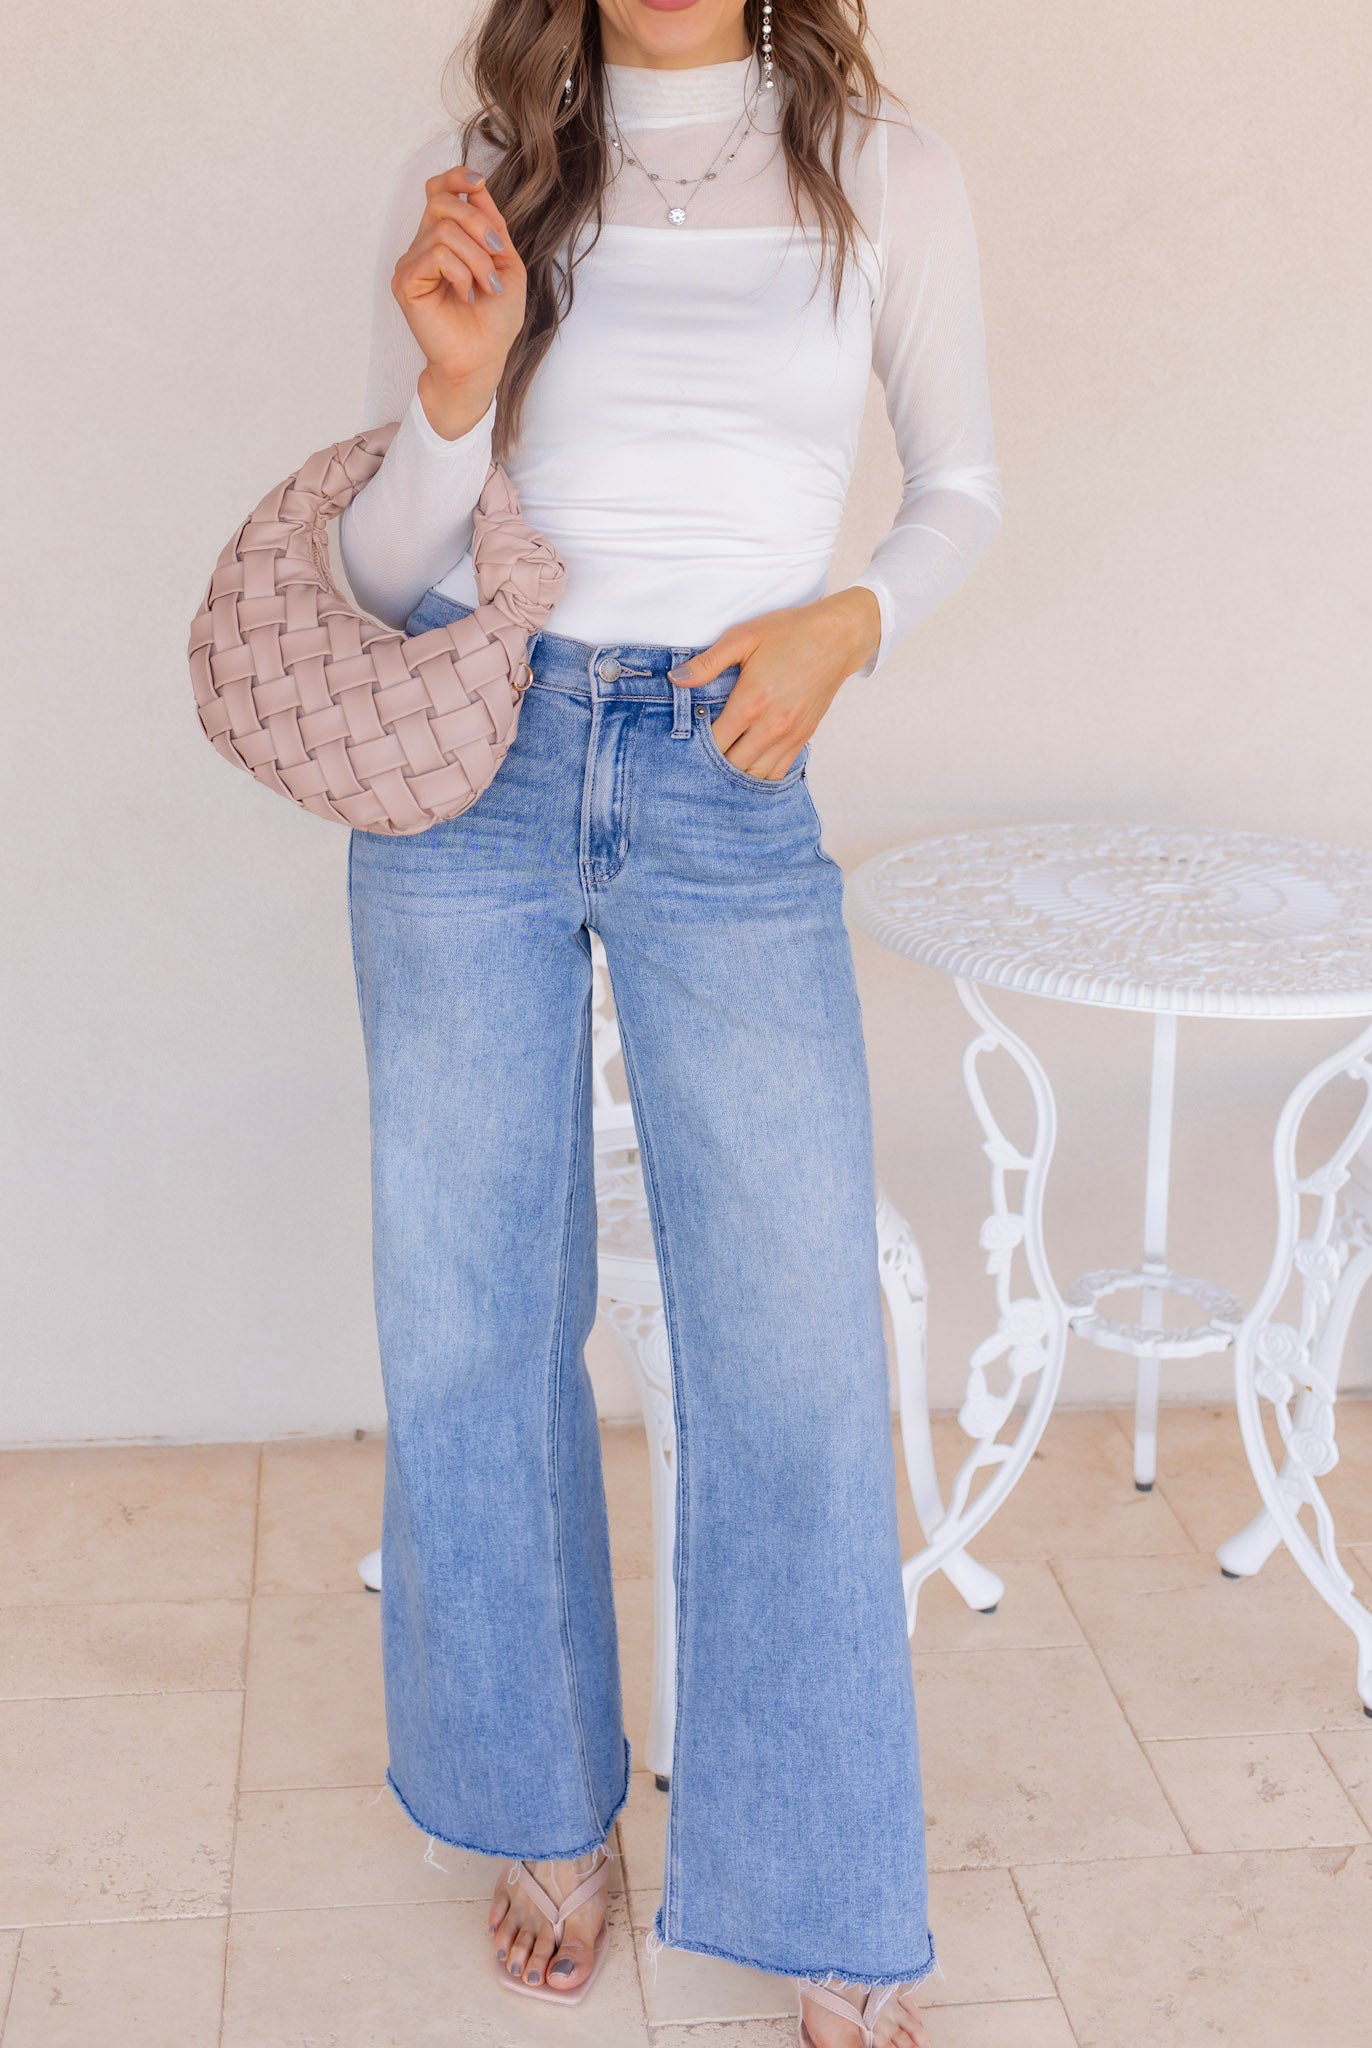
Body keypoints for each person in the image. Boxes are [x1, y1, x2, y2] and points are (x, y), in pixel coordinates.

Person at [338, 2, 1001, 2041]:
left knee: (789, 1344)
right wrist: (455, 396)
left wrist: (844, 623)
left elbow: (962, 485)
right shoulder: (493, 169)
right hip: (479, 766)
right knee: (469, 1316)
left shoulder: (881, 174)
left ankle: (821, 1879)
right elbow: (388, 577)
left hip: (729, 759)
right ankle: (539, 1809)